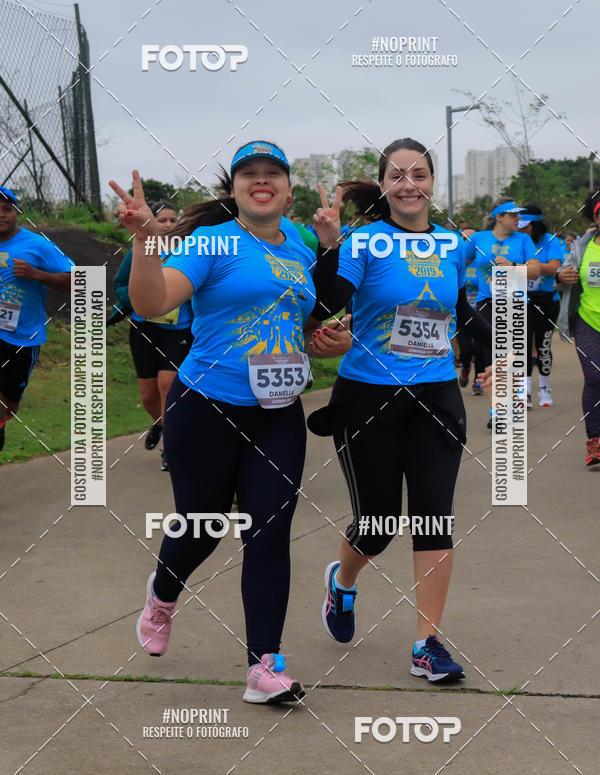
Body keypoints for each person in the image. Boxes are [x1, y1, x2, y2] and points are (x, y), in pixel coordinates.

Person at [109, 141, 351, 704]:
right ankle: (163, 593)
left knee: (269, 533)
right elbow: (152, 301)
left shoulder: (300, 243)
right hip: (205, 408)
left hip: (278, 413)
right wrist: (147, 242)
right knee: (203, 526)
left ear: (287, 190)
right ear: (236, 188)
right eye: (249, 174)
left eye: (273, 174)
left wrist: (325, 340)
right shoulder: (212, 241)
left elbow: (305, 321)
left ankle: (264, 666)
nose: (261, 181)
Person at [308, 137, 494, 683]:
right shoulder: (364, 243)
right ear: (384, 185)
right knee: (379, 522)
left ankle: (427, 645)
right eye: (397, 175)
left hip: (436, 396)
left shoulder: (453, 246)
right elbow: (322, 305)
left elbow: (458, 310)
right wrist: (328, 245)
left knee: (434, 517)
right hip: (369, 398)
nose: (409, 184)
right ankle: (341, 584)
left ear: (433, 182)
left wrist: (500, 355)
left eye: (419, 174)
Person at [113, 200, 192, 470]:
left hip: (179, 329)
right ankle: (160, 423)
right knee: (148, 395)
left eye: (173, 220)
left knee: (167, 385)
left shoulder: (190, 250)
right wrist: (139, 300)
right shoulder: (141, 248)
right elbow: (121, 285)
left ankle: (171, 445)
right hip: (144, 328)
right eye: (162, 220)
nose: (168, 225)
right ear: (153, 222)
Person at [0, 186, 73, 452]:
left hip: (21, 337)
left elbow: (78, 280)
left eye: (7, 209)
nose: (1, 215)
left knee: (9, 403)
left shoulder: (37, 245)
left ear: (17, 212)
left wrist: (37, 275)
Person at [464, 197, 541, 427]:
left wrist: (513, 267)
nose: (519, 219)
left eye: (519, 215)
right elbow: (461, 261)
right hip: (487, 301)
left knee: (514, 355)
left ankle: (512, 402)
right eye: (513, 215)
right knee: (493, 353)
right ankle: (497, 410)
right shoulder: (478, 238)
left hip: (516, 303)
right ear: (499, 217)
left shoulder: (524, 239)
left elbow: (535, 271)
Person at [556, 188, 600, 467]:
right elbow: (562, 273)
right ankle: (595, 440)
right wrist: (563, 275)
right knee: (595, 378)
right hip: (588, 321)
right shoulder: (583, 246)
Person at [518, 205, 563, 408]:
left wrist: (528, 266)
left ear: (535, 224)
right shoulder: (515, 241)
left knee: (544, 346)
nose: (522, 230)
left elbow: (554, 268)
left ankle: (544, 389)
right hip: (521, 297)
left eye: (526, 226)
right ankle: (525, 392)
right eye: (519, 226)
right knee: (523, 345)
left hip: (546, 299)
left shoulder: (551, 241)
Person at [457, 227, 478, 387]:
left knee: (481, 347)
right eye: (464, 238)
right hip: (462, 310)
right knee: (465, 350)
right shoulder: (458, 261)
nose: (467, 242)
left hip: (482, 308)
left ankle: (479, 379)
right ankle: (465, 366)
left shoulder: (484, 260)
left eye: (471, 239)